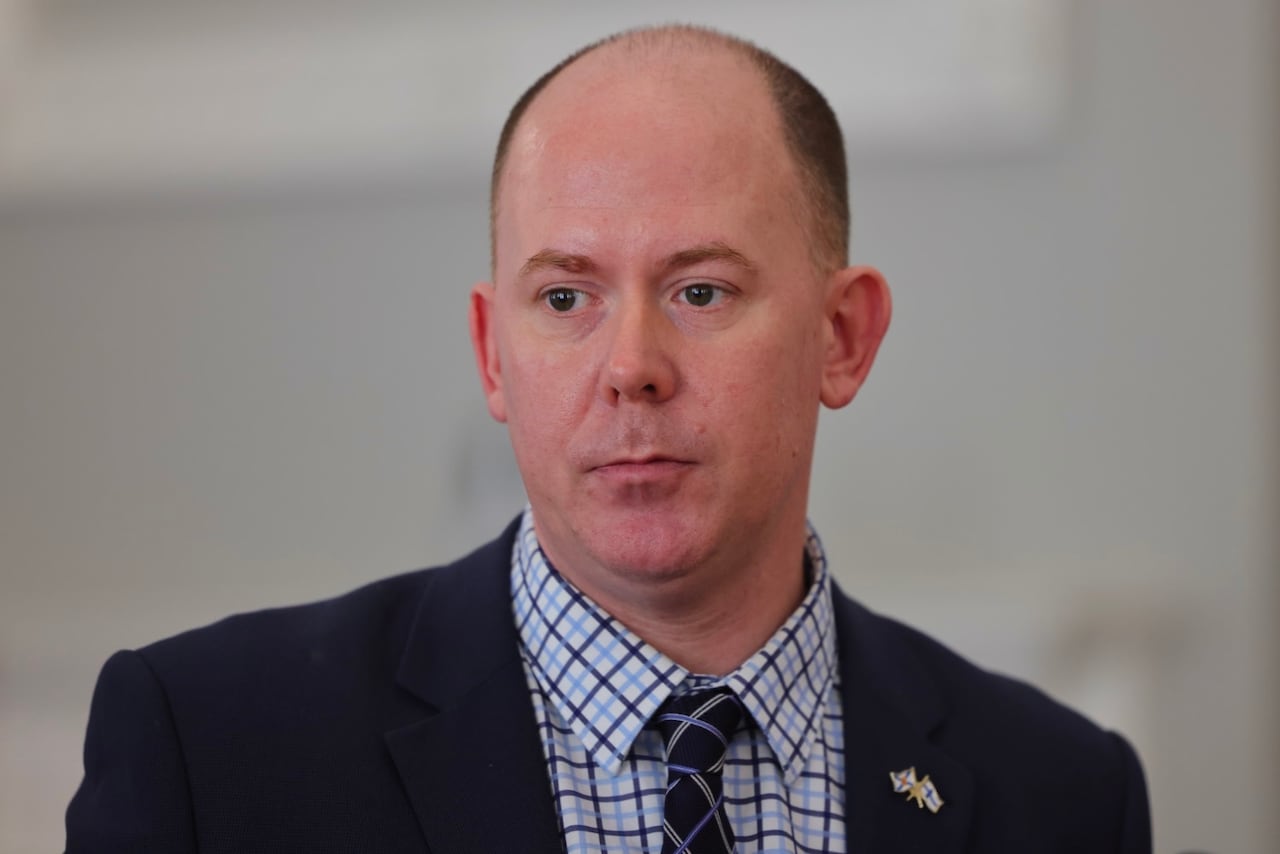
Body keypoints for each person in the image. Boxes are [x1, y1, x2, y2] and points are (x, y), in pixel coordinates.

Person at [66, 24, 1151, 854]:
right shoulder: (209, 749)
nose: (630, 363)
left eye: (699, 287)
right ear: (493, 353)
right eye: (565, 298)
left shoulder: (1057, 792)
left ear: (840, 335)